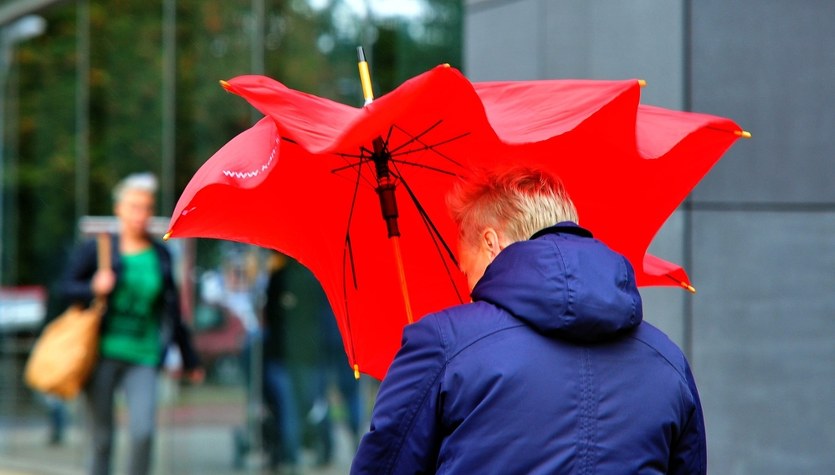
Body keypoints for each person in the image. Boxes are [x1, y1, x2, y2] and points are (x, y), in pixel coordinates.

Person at [350, 166, 706, 474]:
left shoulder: (444, 343)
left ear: (491, 243)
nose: (469, 290)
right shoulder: (667, 361)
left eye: (467, 270)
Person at [60, 172, 203, 475]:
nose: (141, 214)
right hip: (101, 354)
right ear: (119, 209)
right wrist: (93, 287)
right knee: (101, 440)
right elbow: (64, 289)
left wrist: (190, 358)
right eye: (135, 207)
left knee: (143, 432)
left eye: (147, 207)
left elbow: (172, 311)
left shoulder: (161, 255)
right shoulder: (99, 249)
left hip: (144, 355)